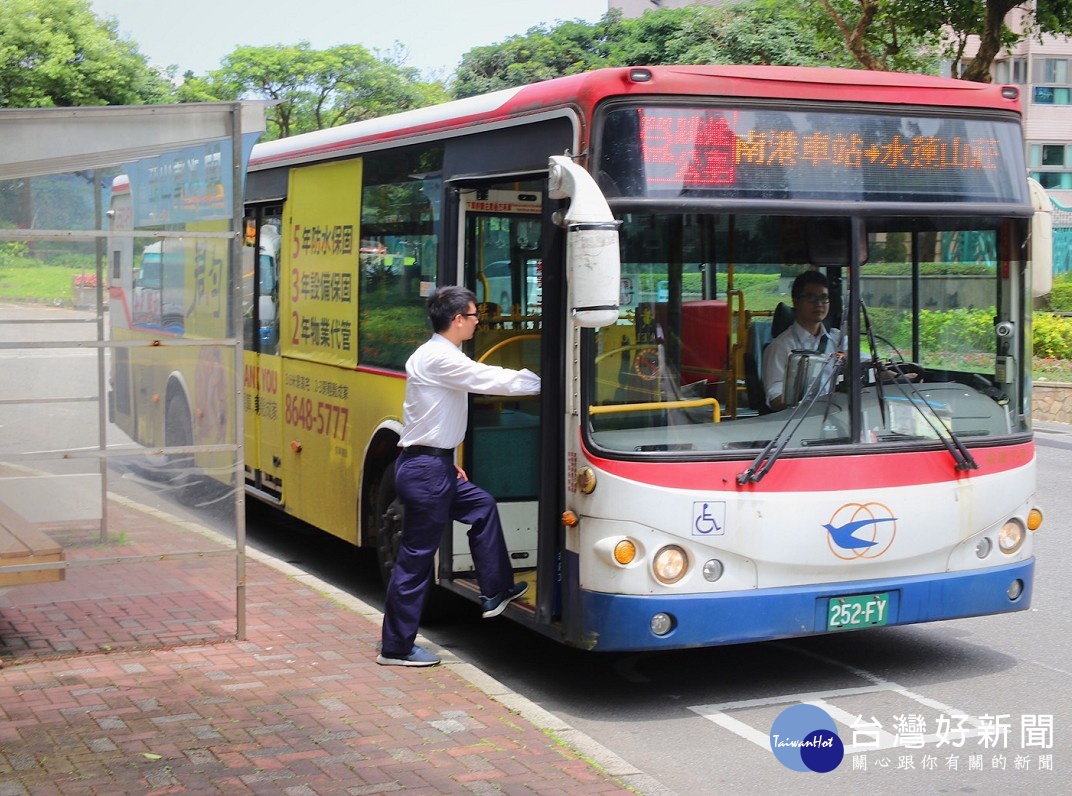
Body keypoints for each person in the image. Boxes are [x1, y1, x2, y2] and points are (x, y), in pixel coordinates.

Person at [377, 286, 541, 667]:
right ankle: (396, 647)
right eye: (473, 316)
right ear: (457, 320)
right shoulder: (440, 358)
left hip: (433, 464)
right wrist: (550, 383)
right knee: (415, 561)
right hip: (426, 470)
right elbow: (491, 379)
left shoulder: (439, 354)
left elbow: (429, 418)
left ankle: (496, 590)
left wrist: (444, 458)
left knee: (481, 505)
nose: (477, 321)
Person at [762, 271, 839, 412]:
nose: (819, 304)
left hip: (835, 415)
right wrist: (804, 406)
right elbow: (775, 396)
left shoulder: (837, 339)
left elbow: (866, 365)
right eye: (811, 297)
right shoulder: (780, 347)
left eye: (824, 298)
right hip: (797, 422)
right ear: (795, 301)